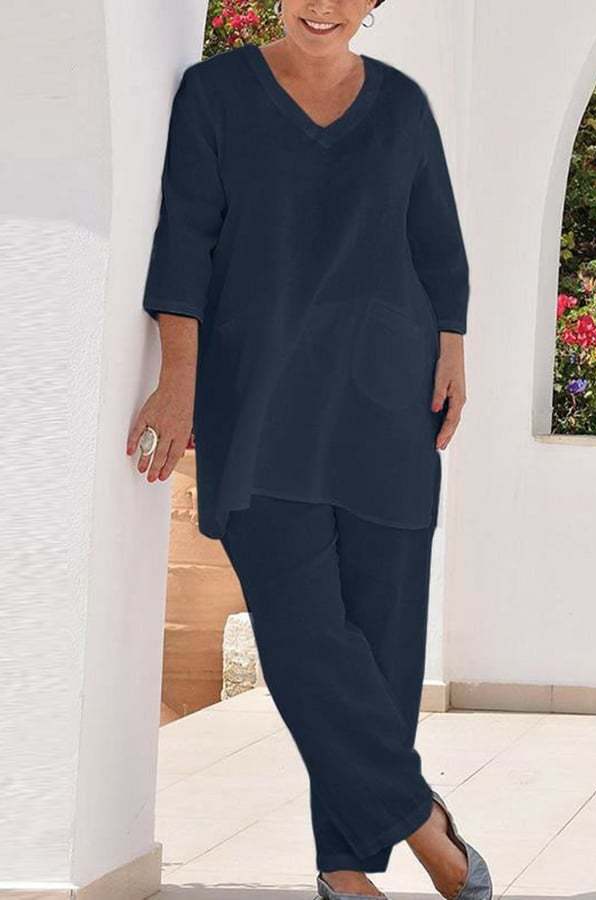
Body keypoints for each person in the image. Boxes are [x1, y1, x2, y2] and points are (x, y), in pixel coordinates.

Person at [127, 2, 492, 898]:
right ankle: (420, 821)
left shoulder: (400, 104)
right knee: (301, 636)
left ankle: (343, 870)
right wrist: (178, 379)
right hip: (257, 403)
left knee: (382, 640)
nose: (321, 6)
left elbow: (435, 242)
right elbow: (184, 237)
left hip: (386, 400)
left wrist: (450, 347)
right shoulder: (215, 94)